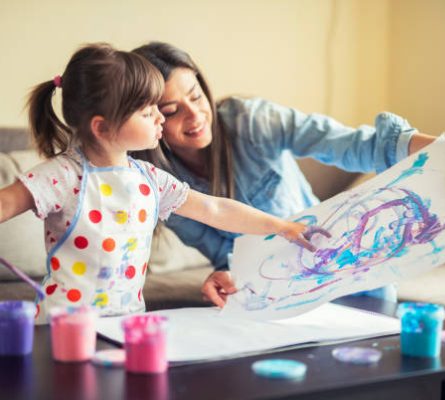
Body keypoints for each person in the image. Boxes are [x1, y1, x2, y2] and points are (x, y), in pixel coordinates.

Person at [131, 41, 445, 308]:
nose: (194, 116)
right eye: (172, 110)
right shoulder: (160, 182)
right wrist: (232, 278)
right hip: (263, 290)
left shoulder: (251, 122)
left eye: (197, 97)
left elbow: (351, 144)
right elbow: (225, 253)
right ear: (150, 117)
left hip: (342, 269)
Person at [0, 43, 321, 324]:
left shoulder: (150, 179)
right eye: (148, 110)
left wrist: (281, 226)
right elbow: (6, 203)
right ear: (102, 127)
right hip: (63, 326)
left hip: (128, 322)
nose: (160, 117)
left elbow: (214, 208)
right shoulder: (62, 176)